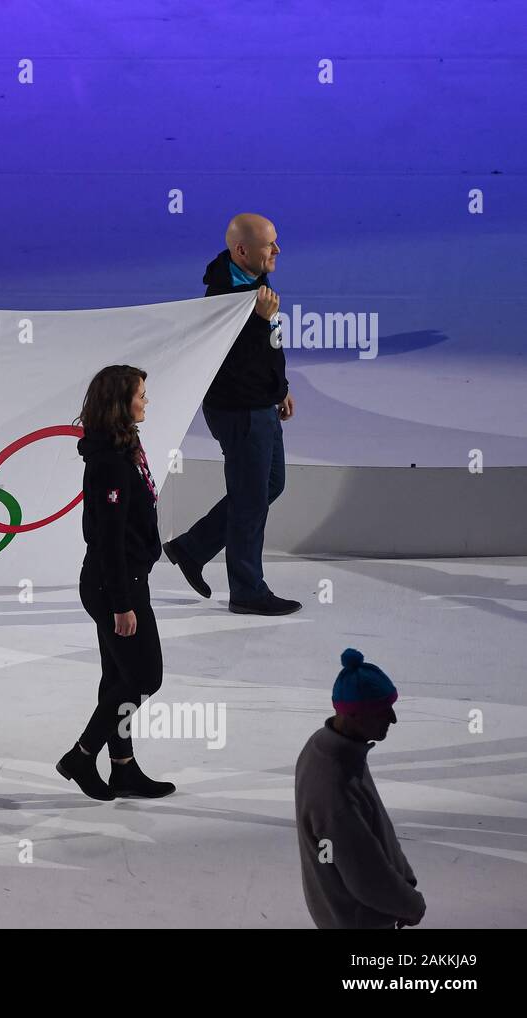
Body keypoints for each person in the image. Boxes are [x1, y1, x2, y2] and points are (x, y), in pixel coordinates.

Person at [163, 213, 300, 616]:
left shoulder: (253, 278)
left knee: (268, 486)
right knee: (251, 501)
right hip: (239, 410)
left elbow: (269, 346)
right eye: (269, 244)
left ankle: (192, 548)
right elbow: (230, 362)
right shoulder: (224, 298)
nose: (277, 250)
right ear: (242, 250)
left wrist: (282, 387)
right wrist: (258, 325)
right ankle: (247, 590)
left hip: (261, 402)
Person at [56, 365, 176, 801]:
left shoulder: (125, 444)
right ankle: (82, 755)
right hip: (114, 585)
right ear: (119, 403)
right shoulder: (109, 460)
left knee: (118, 679)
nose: (146, 402)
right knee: (145, 675)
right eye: (140, 395)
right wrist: (122, 603)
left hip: (125, 579)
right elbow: (107, 537)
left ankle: (122, 768)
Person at [294, 649, 425, 929]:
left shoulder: (334, 748)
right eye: (382, 711)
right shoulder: (335, 783)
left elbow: (376, 829)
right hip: (358, 919)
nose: (393, 719)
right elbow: (364, 876)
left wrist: (403, 878)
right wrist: (410, 904)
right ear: (353, 715)